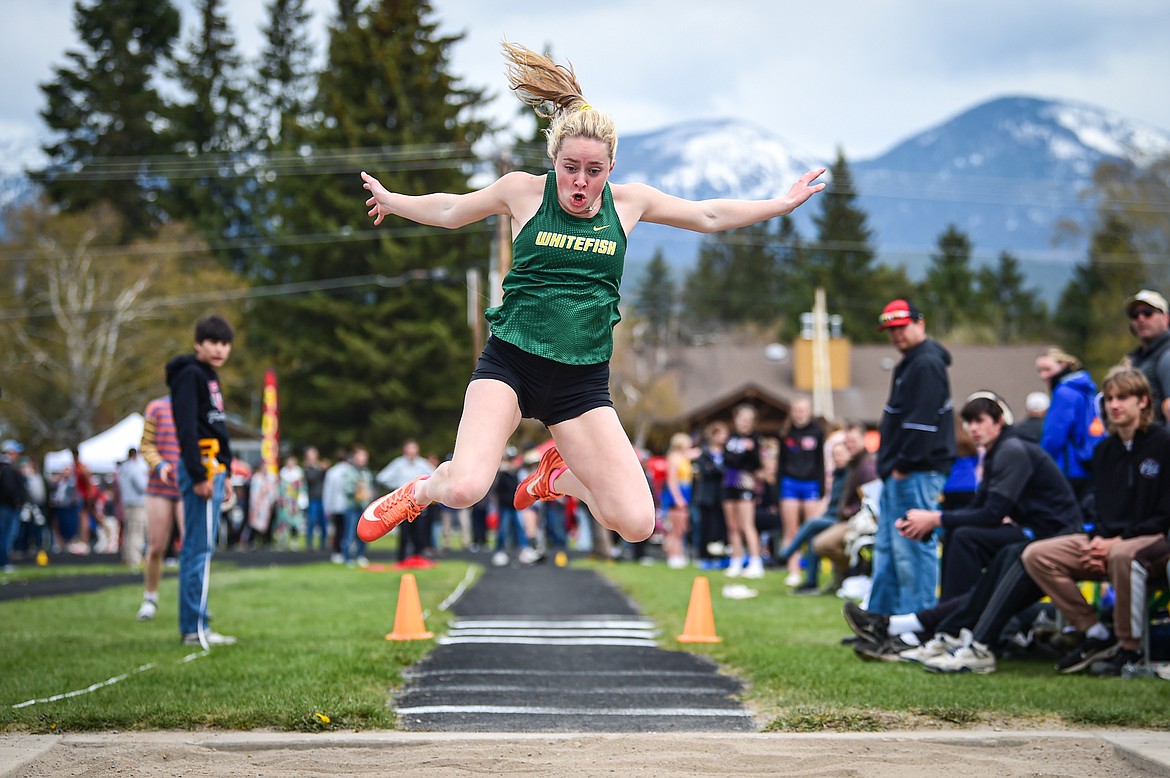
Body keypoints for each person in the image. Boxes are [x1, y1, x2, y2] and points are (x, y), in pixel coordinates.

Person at [355, 42, 824, 550]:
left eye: (594, 170)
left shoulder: (629, 204)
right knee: (467, 487)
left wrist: (780, 204)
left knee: (637, 522)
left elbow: (706, 216)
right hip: (511, 363)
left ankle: (557, 479)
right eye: (570, 167)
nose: (580, 182)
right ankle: (420, 490)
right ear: (553, 159)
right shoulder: (523, 192)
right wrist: (394, 201)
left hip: (580, 383)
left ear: (612, 166)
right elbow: (452, 210)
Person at [847, 391, 1080, 661]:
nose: (973, 428)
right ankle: (934, 631)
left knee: (971, 539)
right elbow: (978, 508)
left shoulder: (1012, 450)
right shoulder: (997, 452)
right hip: (1033, 534)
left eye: (979, 421)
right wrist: (935, 525)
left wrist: (935, 519)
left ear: (999, 421)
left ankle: (916, 628)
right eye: (968, 422)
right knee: (961, 535)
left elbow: (991, 514)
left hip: (1054, 539)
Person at [1021, 367, 1170, 675]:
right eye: (1110, 399)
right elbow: (1101, 507)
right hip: (1110, 540)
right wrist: (1100, 538)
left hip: (1155, 538)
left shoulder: (1163, 443)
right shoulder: (1103, 450)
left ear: (1143, 401)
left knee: (1121, 555)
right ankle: (1095, 633)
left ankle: (1129, 649)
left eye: (1123, 398)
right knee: (1037, 554)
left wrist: (1119, 540)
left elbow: (1164, 513)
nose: (1114, 405)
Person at [868, 299, 956, 616]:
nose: (896, 336)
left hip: (916, 471)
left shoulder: (927, 363)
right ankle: (881, 621)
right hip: (901, 471)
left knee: (913, 550)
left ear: (921, 324)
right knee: (889, 550)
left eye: (902, 327)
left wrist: (902, 466)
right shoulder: (910, 363)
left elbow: (921, 423)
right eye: (891, 330)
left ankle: (915, 622)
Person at [167, 314, 236, 649]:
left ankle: (201, 623)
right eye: (213, 342)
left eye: (225, 343)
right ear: (198, 344)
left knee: (204, 548)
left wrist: (229, 470)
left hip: (216, 468)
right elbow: (187, 428)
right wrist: (198, 474)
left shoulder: (210, 376)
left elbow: (217, 426)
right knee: (197, 549)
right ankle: (194, 627)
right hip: (201, 467)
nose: (220, 349)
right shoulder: (189, 375)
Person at [1035, 347, 1100, 500]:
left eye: (1047, 369)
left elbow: (1054, 435)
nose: (1043, 375)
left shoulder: (1064, 393)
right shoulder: (1084, 389)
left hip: (1068, 466)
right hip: (1086, 461)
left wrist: (1041, 461)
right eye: (1039, 370)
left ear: (1063, 365)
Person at [778, 397, 825, 586]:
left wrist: (821, 488)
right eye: (796, 409)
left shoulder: (817, 432)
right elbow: (781, 463)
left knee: (811, 529)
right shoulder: (785, 433)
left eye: (803, 409)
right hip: (790, 483)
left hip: (811, 484)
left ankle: (812, 571)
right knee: (791, 529)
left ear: (809, 411)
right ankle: (793, 570)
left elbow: (821, 462)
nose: (800, 413)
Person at [722, 404, 766, 578]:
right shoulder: (731, 438)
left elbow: (754, 462)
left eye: (748, 420)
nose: (744, 423)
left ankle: (756, 561)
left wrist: (743, 455)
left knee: (746, 524)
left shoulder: (755, 439)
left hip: (745, 483)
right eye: (742, 419)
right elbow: (727, 459)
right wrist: (739, 456)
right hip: (728, 483)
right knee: (732, 526)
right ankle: (736, 560)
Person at [375, 439, 435, 563]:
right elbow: (381, 477)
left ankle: (417, 557)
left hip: (419, 503)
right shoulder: (398, 464)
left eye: (414, 448)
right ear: (405, 450)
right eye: (409, 448)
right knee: (404, 532)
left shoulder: (422, 463)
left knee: (419, 531)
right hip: (403, 503)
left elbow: (435, 476)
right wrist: (397, 489)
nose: (412, 451)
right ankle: (401, 559)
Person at [1123, 289, 1170, 423]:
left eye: (1148, 313)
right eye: (1134, 315)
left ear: (1166, 318)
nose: (1141, 319)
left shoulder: (1167, 355)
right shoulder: (1136, 358)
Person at [660, 432, 698, 569]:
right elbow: (671, 481)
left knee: (681, 527)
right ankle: (673, 556)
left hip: (686, 493)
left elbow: (696, 453)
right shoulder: (674, 458)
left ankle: (679, 554)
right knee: (675, 528)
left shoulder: (684, 457)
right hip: (676, 495)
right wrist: (678, 498)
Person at [339, 445, 373, 567]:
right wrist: (355, 489)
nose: (363, 459)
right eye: (360, 457)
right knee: (349, 533)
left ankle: (360, 555)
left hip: (364, 507)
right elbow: (345, 488)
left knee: (364, 534)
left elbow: (369, 488)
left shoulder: (367, 473)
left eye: (365, 457)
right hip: (352, 507)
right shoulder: (349, 472)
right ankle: (347, 557)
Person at [117, 448, 149, 568]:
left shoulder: (124, 468)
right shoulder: (134, 468)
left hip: (128, 503)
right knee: (136, 532)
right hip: (137, 504)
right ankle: (134, 559)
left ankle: (127, 557)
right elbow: (143, 486)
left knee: (129, 532)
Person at [0, 439, 27, 573]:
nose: (18, 455)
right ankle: (4, 562)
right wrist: (17, 501)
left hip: (6, 506)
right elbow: (9, 488)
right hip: (8, 507)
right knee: (6, 535)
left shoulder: (5, 467)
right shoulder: (8, 469)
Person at [322, 448, 350, 563]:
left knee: (338, 529)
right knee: (347, 529)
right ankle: (345, 551)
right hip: (348, 505)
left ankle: (337, 552)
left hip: (335, 505)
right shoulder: (350, 470)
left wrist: (327, 507)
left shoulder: (332, 472)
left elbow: (328, 490)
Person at [302, 447, 327, 552]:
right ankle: (309, 544)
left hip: (323, 499)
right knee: (311, 522)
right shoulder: (307, 468)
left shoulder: (319, 468)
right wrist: (321, 469)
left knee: (324, 523)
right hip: (313, 499)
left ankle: (323, 544)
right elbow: (311, 479)